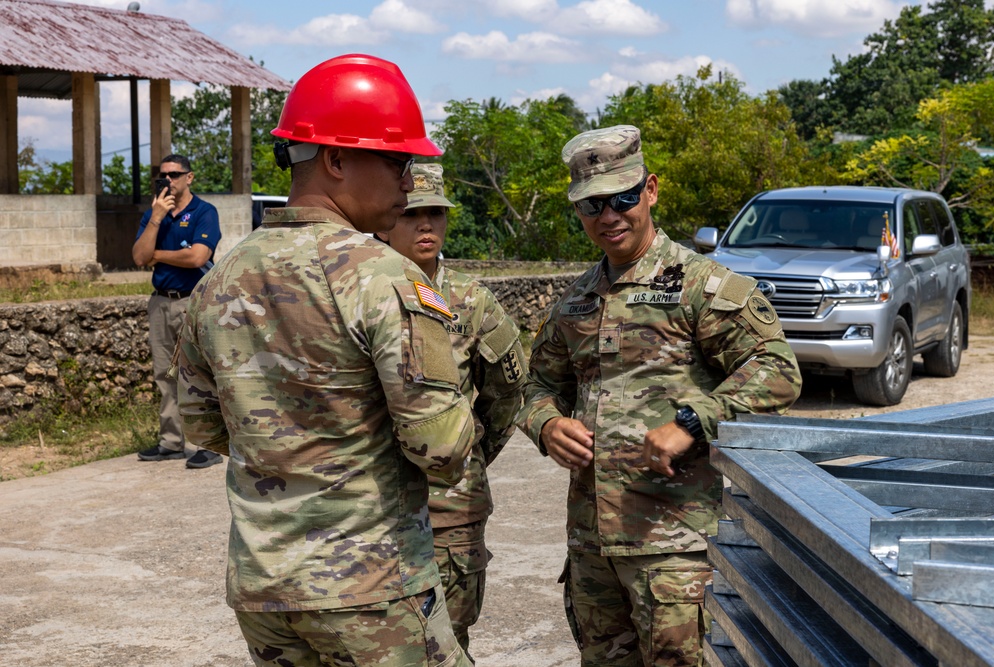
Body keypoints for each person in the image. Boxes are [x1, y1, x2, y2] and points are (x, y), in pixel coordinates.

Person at [176, 54, 476, 667]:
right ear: (335, 160)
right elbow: (443, 447)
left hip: (265, 589)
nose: (409, 183)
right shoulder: (384, 277)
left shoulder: (220, 276)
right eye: (397, 162)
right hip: (372, 588)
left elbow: (202, 427)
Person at [518, 125, 802, 666]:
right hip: (592, 544)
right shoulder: (576, 300)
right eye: (592, 205)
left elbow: (777, 370)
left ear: (651, 189)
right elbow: (537, 386)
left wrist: (694, 421)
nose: (610, 216)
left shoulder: (701, 286)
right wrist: (546, 425)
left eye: (624, 198)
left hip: (675, 545)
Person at [376, 163, 526, 661]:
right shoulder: (362, 292)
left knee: (449, 642)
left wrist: (474, 451)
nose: (427, 226)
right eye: (414, 213)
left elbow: (507, 390)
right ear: (387, 218)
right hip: (371, 503)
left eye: (437, 214)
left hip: (451, 506)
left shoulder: (470, 299)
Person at [132, 153, 222, 470]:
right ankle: (170, 443)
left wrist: (157, 253)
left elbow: (197, 257)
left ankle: (207, 444)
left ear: (189, 177)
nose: (168, 181)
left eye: (174, 175)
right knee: (163, 375)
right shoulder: (154, 214)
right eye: (163, 176)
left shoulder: (204, 212)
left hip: (191, 300)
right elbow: (139, 257)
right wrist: (157, 218)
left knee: (197, 372)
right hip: (160, 301)